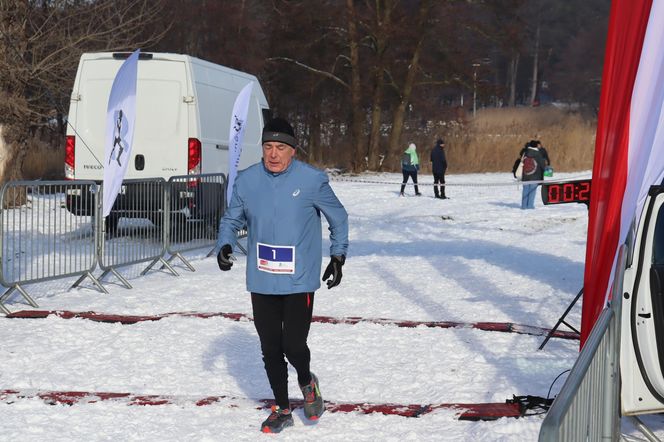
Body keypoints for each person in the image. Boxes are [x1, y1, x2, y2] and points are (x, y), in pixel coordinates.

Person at [215, 117, 349, 434]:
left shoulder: (312, 180)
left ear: (292, 151)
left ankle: (306, 380)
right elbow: (231, 219)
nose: (273, 154)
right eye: (268, 146)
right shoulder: (247, 181)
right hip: (261, 278)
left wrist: (338, 254)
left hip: (298, 279)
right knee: (270, 347)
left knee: (293, 345)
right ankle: (282, 409)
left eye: (281, 147)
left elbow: (338, 217)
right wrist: (224, 244)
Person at [514, 139, 550, 209]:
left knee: (525, 191)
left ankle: (524, 206)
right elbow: (543, 165)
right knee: (532, 192)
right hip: (535, 176)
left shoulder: (525, 153)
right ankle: (530, 206)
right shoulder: (538, 154)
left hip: (525, 175)